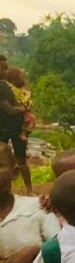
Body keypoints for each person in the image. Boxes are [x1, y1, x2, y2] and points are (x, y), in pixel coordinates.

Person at [0, 55, 32, 194]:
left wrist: (22, 107)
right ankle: (6, 190)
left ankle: (29, 189)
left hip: (17, 127)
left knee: (21, 160)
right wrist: (23, 109)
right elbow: (9, 110)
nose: (6, 71)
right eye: (3, 68)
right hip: (2, 129)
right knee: (3, 162)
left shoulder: (7, 86)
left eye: (6, 68)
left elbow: (17, 101)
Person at [5, 68, 35, 143]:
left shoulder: (13, 89)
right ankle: (23, 133)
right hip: (18, 113)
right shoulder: (12, 89)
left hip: (15, 116)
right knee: (31, 119)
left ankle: (23, 133)